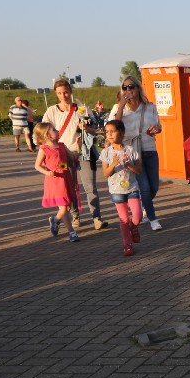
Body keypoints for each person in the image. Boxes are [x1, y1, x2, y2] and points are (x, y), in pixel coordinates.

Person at [43, 78, 104, 230]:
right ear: (56, 94)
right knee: (68, 187)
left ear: (70, 91)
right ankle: (75, 216)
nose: (63, 96)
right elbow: (42, 133)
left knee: (90, 186)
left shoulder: (82, 108)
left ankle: (96, 217)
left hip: (84, 152)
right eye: (59, 93)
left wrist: (86, 128)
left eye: (65, 92)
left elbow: (94, 130)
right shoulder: (51, 111)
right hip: (63, 154)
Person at [110, 76, 163, 230]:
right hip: (132, 152)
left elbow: (158, 125)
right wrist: (121, 106)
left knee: (153, 187)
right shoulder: (118, 108)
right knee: (144, 187)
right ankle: (153, 219)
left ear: (138, 88)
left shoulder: (149, 107)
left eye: (131, 86)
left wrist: (157, 129)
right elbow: (114, 127)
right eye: (124, 87)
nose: (128, 90)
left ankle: (143, 204)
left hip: (149, 149)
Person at [99, 119, 143, 257]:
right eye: (107, 132)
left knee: (138, 215)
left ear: (122, 133)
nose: (109, 134)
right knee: (123, 219)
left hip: (132, 188)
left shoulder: (131, 150)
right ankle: (127, 244)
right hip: (116, 190)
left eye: (113, 131)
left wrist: (129, 165)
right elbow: (106, 173)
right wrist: (113, 164)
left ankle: (133, 227)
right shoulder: (106, 153)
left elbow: (139, 170)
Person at [33, 121, 80, 242]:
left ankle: (55, 220)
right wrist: (47, 172)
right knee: (63, 208)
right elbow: (37, 165)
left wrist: (78, 147)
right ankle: (71, 232)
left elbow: (73, 157)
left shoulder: (62, 146)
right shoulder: (44, 149)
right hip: (55, 181)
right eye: (53, 130)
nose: (57, 131)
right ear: (47, 135)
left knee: (66, 207)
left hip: (66, 178)